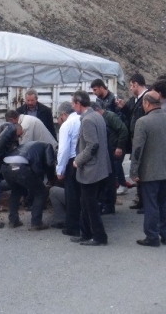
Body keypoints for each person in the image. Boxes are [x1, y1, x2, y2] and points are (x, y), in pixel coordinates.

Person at [130, 91, 166, 247]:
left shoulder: (143, 122)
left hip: (150, 171)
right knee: (165, 203)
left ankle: (152, 236)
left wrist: (134, 171)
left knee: (151, 205)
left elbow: (137, 149)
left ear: (147, 104)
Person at [70, 91, 110, 246]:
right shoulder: (97, 116)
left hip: (91, 170)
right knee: (86, 203)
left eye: (73, 104)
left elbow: (92, 145)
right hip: (100, 168)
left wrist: (78, 161)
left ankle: (99, 237)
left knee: (90, 205)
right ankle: (85, 233)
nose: (73, 106)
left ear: (79, 103)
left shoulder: (87, 120)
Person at [1, 141, 55, 231]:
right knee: (41, 192)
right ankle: (36, 223)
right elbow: (49, 163)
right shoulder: (48, 146)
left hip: (5, 167)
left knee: (16, 191)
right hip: (21, 167)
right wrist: (51, 178)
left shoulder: (28, 145)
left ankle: (13, 221)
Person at [116, 73, 149, 212]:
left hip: (142, 140)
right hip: (136, 139)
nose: (130, 88)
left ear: (136, 84)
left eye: (131, 85)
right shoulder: (136, 100)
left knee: (143, 171)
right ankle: (141, 199)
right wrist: (124, 108)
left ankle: (145, 201)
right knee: (139, 171)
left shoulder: (146, 98)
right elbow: (133, 116)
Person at [91, 101, 129, 203]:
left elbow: (123, 130)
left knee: (115, 168)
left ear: (97, 110)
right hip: (110, 148)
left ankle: (121, 185)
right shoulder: (101, 118)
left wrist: (119, 147)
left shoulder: (110, 117)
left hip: (116, 147)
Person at [55, 101, 82, 237]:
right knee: (83, 195)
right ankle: (84, 225)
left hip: (72, 162)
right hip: (85, 160)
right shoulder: (83, 119)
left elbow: (63, 150)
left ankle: (73, 227)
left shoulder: (67, 125)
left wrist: (60, 171)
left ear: (63, 114)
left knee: (71, 196)